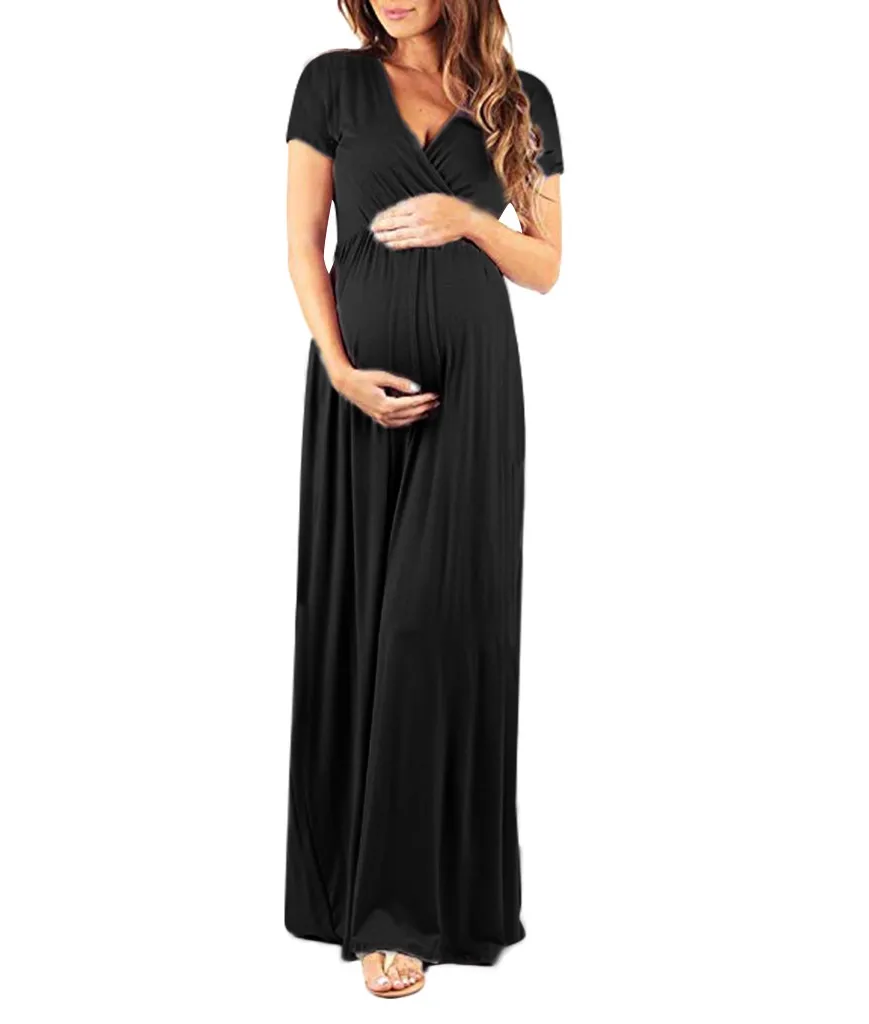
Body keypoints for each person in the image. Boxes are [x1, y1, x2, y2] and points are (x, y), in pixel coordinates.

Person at [284, 0, 563, 999]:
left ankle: (405, 908)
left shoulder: (521, 99)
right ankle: (349, 888)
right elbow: (303, 245)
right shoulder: (330, 82)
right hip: (357, 397)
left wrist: (469, 221)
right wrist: (338, 369)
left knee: (432, 628)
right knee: (362, 625)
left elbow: (547, 265)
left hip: (474, 394)